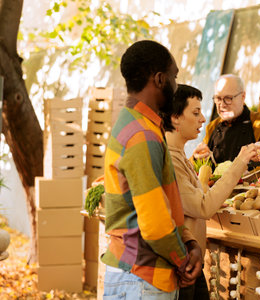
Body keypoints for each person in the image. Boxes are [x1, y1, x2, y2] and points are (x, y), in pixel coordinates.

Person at [101, 40, 202, 299]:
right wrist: (184, 261)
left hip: (134, 275)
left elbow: (162, 203)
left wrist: (189, 241)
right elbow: (156, 225)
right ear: (159, 79)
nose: (176, 85)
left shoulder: (132, 123)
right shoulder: (142, 135)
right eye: (174, 77)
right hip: (143, 280)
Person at [162, 84, 256, 299]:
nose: (203, 119)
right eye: (195, 113)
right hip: (180, 266)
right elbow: (202, 207)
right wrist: (239, 163)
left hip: (189, 264)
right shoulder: (171, 161)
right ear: (175, 118)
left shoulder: (179, 157)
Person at [192, 74, 260, 167]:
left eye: (228, 98)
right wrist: (196, 158)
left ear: (243, 96)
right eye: (218, 98)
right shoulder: (212, 127)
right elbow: (201, 167)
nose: (222, 104)